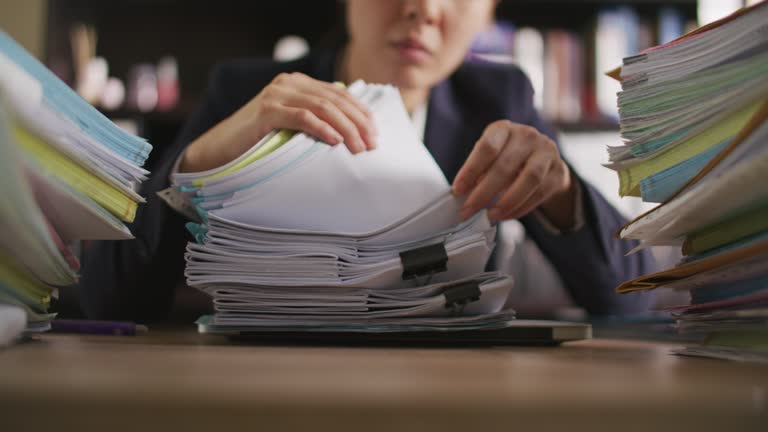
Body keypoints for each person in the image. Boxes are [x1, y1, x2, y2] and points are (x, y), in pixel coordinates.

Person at [79, 0, 655, 322]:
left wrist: (558, 190)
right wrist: (198, 165)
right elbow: (109, 297)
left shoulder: (498, 100)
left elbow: (635, 296)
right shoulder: (247, 93)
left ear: (488, 14)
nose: (424, 10)